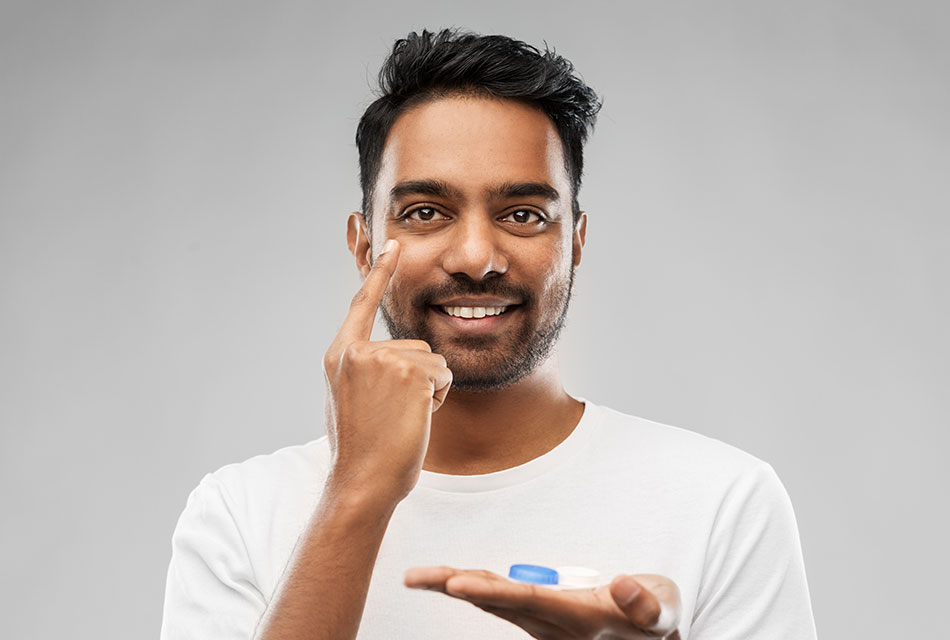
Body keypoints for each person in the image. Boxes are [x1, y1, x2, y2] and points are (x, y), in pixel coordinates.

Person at [160, 29, 817, 640]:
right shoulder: (241, 514)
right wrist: (356, 495)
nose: (476, 255)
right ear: (364, 244)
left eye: (524, 214)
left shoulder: (722, 500)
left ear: (576, 243)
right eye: (425, 212)